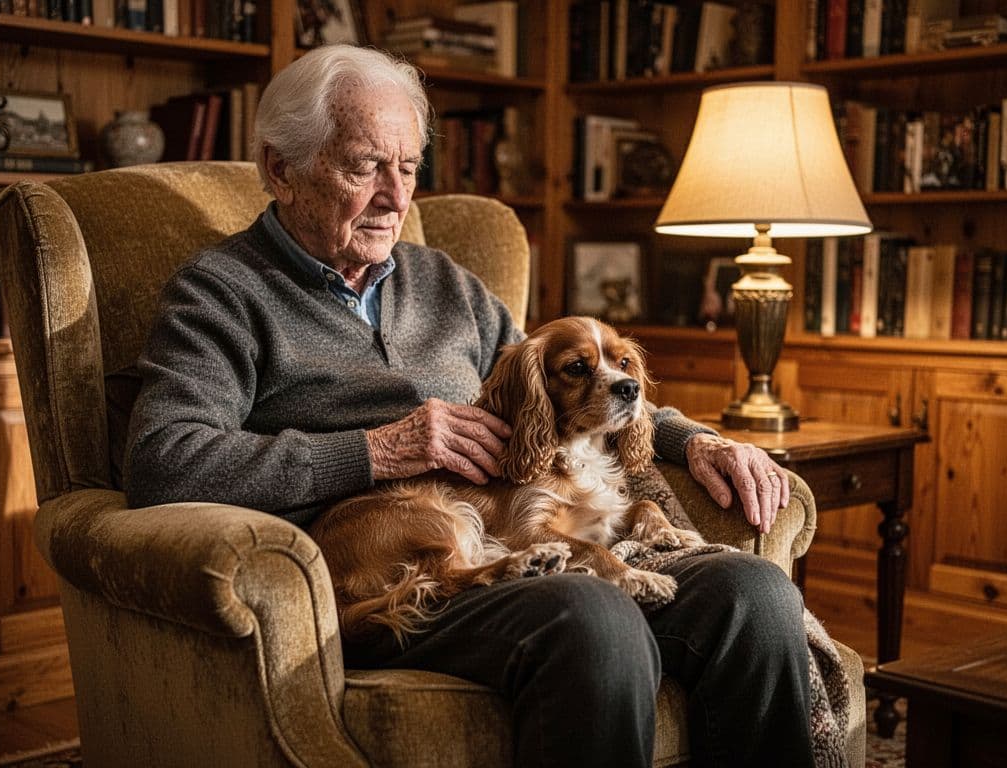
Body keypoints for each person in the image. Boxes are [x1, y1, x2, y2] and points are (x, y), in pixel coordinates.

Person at [124, 44, 814, 768]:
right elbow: (163, 465)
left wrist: (695, 440)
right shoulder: (220, 293)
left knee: (754, 594)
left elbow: (561, 385)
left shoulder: (444, 283)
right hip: (385, 577)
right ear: (281, 169)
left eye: (410, 168)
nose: (397, 197)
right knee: (593, 615)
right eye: (366, 166)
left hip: (507, 538)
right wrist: (379, 449)